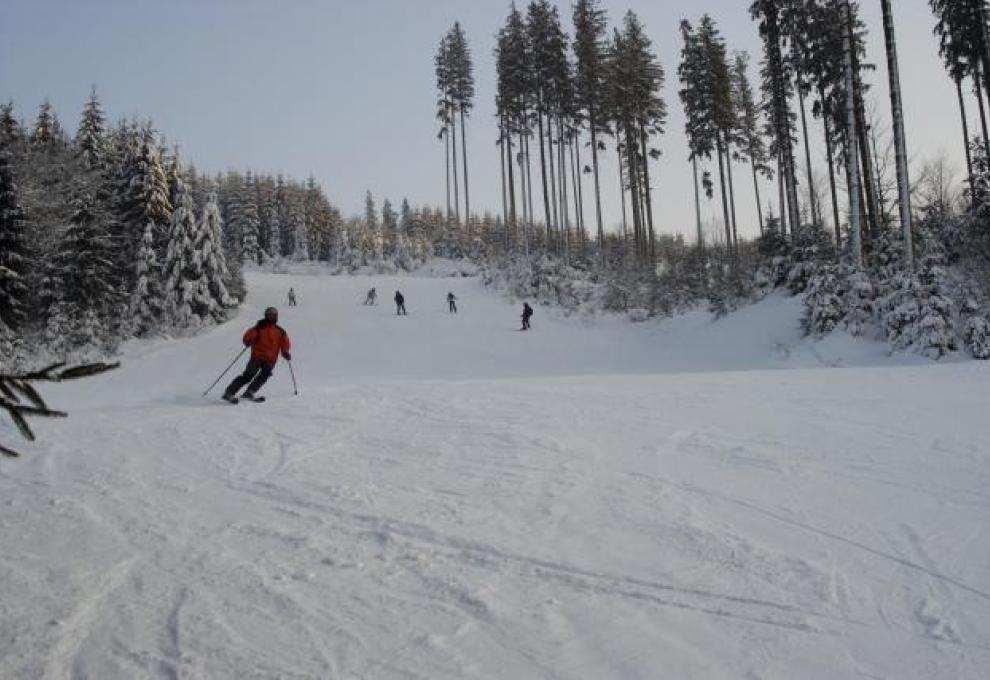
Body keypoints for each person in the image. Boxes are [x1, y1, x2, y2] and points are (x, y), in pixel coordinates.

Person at [222, 307, 291, 402]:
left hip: (271, 359)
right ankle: (229, 392)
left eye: (273, 315)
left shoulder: (280, 331)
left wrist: (285, 352)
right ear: (266, 316)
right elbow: (247, 337)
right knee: (248, 375)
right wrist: (248, 340)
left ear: (276, 316)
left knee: (265, 375)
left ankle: (250, 392)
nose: (271, 316)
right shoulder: (259, 328)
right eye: (269, 314)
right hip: (257, 357)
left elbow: (285, 343)